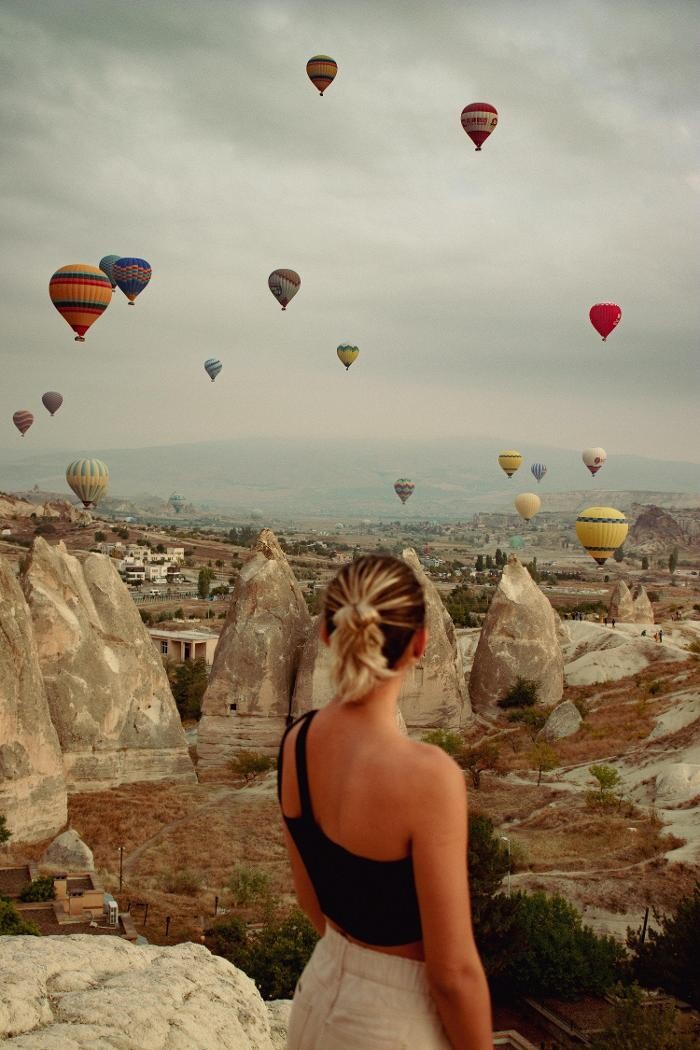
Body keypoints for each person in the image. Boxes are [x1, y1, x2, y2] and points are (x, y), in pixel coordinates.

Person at [277, 554, 492, 1049]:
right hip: (396, 1022)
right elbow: (453, 972)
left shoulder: (297, 743)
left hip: (317, 996)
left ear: (327, 634)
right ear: (420, 642)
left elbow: (313, 903)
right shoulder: (428, 777)